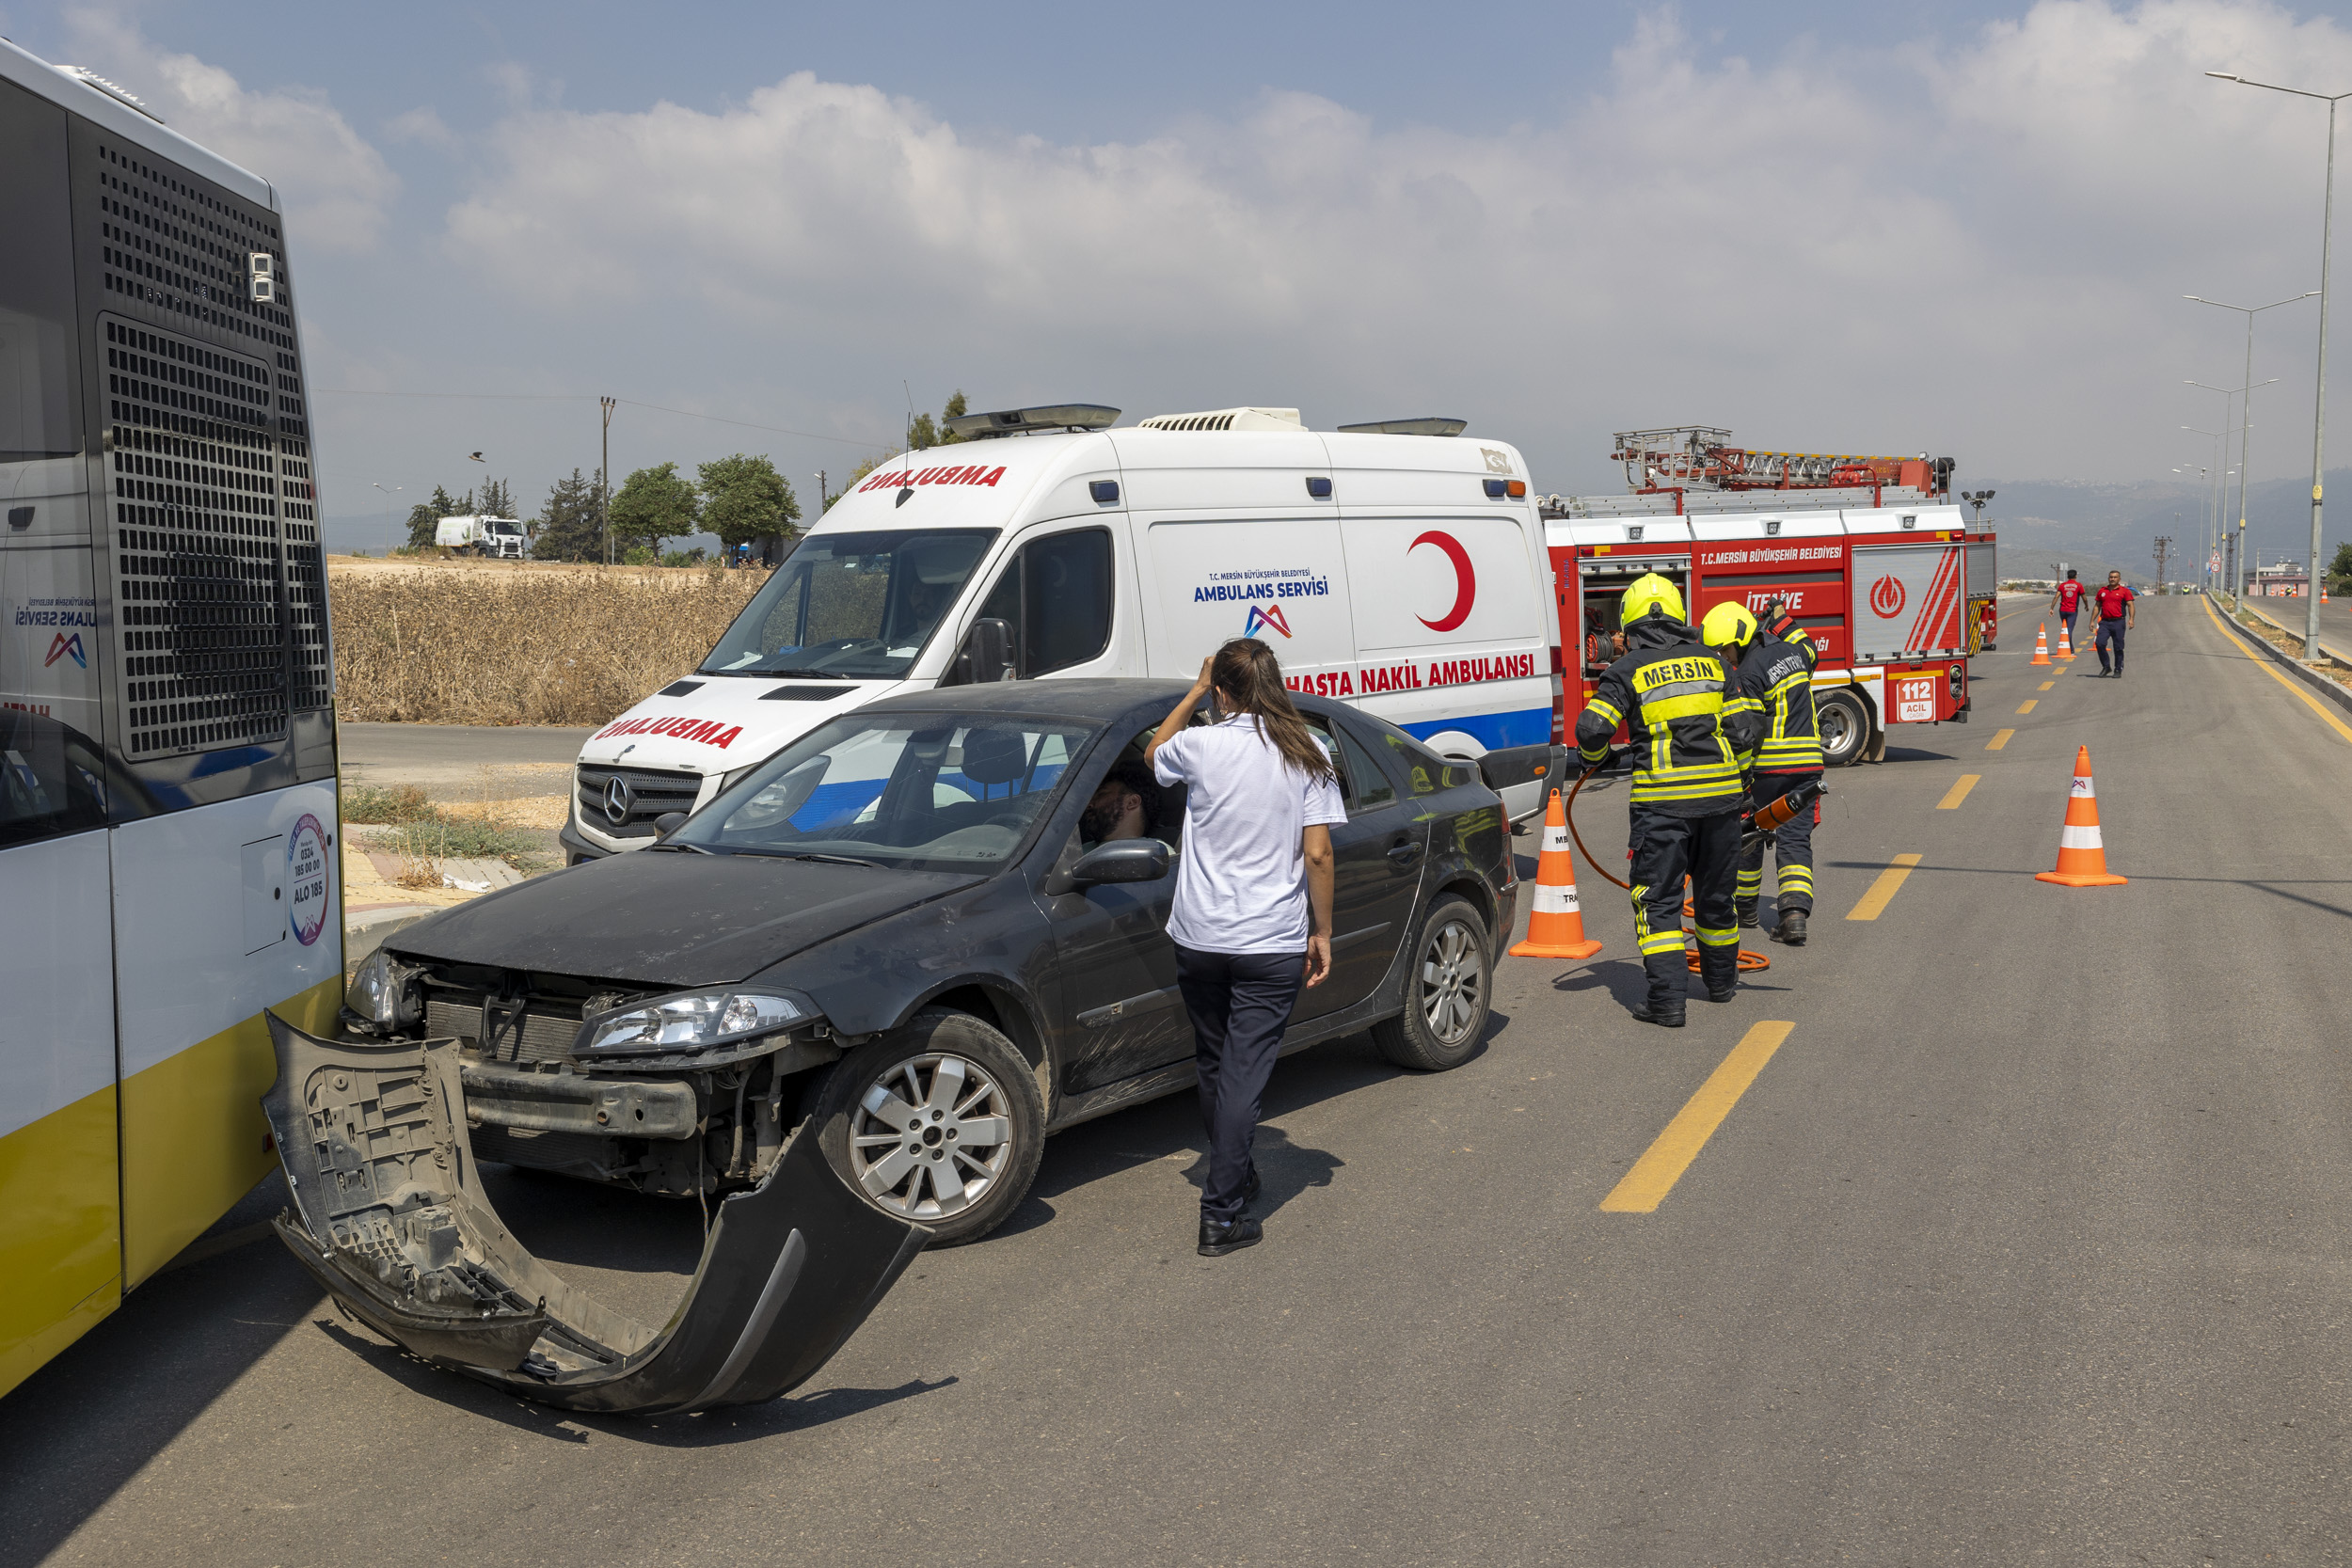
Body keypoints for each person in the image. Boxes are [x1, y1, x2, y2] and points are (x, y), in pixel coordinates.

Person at [1146, 639, 1344, 1257]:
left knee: (1214, 1062)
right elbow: (1317, 853)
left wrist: (1196, 690)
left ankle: (1234, 1172)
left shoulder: (1201, 745)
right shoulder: (1306, 752)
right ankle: (1222, 1210)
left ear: (1225, 690)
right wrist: (1323, 931)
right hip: (1269, 940)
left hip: (1200, 936)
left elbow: (1153, 752)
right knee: (1243, 1074)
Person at [1573, 575, 1762, 1028]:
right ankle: (1721, 986)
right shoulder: (1714, 663)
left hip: (1663, 807)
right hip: (1721, 804)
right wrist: (1736, 785)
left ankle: (1667, 1002)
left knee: (1658, 902)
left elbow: (1592, 731)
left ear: (1632, 624)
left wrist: (1595, 760)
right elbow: (1744, 733)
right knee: (1717, 898)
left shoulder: (1627, 669)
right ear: (1679, 618)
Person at [1705, 598, 1820, 947]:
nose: (1724, 659)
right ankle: (1794, 917)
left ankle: (1746, 911)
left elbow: (1747, 733)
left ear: (1738, 642)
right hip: (1808, 768)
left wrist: (1736, 777)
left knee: (1749, 835)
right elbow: (1811, 650)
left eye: (1725, 651)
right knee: (1795, 840)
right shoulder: (1792, 652)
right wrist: (1782, 620)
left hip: (1769, 769)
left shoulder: (1748, 674)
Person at [1081, 759, 1163, 845]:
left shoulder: (1158, 852)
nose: (1089, 804)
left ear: (1133, 802)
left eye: (1101, 794)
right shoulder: (1078, 850)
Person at [2092, 570, 2137, 676]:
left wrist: (2131, 619)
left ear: (2119, 579)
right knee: (2099, 643)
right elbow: (2097, 606)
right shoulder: (2102, 591)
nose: (2112, 579)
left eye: (2115, 577)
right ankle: (2106, 666)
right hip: (2105, 622)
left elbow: (2130, 605)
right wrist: (2092, 620)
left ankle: (2118, 669)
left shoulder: (2124, 591)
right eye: (2111, 577)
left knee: (2118, 647)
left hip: (2118, 622)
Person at [2053, 569, 2086, 649]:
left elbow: (2056, 597)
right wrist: (2086, 605)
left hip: (2062, 610)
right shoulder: (2079, 585)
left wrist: (2051, 608)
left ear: (2068, 576)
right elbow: (2084, 597)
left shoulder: (2062, 585)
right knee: (2069, 629)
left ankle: (2070, 647)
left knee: (2065, 628)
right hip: (2072, 611)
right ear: (2076, 576)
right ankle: (2069, 648)